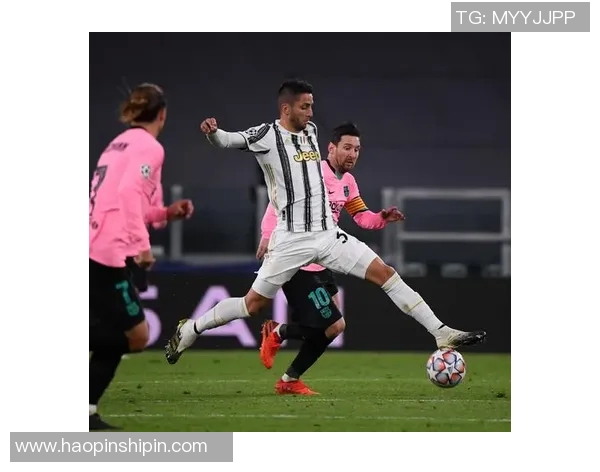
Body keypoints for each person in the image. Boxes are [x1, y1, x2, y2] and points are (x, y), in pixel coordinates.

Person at [164, 79, 486, 374]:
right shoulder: (266, 136)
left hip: (327, 236)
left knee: (385, 273)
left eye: (312, 106)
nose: (310, 112)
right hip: (291, 240)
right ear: (286, 108)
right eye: (305, 106)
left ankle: (440, 332)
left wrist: (380, 217)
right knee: (253, 305)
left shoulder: (311, 132)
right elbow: (228, 141)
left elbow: (358, 213)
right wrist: (213, 133)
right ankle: (191, 329)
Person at [255, 122, 405, 394]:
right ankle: (282, 353)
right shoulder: (311, 173)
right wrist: (267, 235)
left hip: (323, 258)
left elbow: (361, 217)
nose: (352, 154)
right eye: (347, 147)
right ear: (331, 148)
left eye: (357, 149)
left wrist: (381, 217)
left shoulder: (348, 182)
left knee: (334, 327)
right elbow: (277, 204)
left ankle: (287, 369)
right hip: (299, 259)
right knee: (332, 324)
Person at [89, 83, 193, 430]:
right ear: (162, 114)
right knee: (136, 336)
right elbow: (128, 193)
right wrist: (142, 245)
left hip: (95, 242)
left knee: (116, 333)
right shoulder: (150, 147)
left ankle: (86, 411)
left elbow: (129, 203)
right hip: (108, 251)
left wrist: (166, 213)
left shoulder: (117, 144)